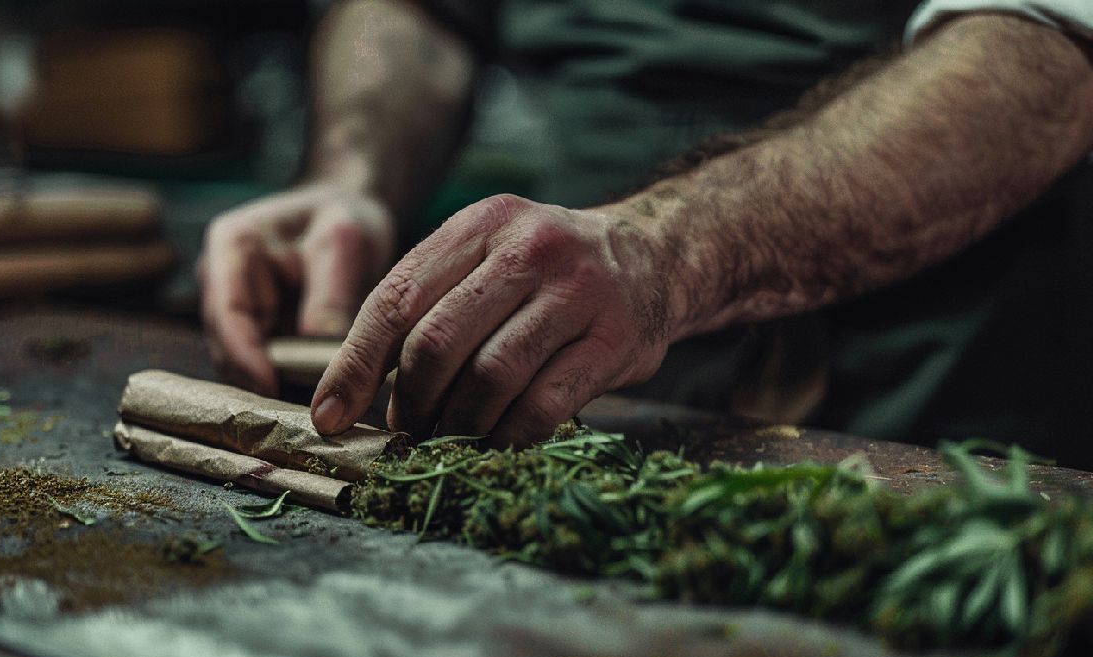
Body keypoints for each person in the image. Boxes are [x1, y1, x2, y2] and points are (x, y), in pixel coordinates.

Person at [200, 0, 1093, 459]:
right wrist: (353, 176)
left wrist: (664, 250)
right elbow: (421, 15)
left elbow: (1044, 54)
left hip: (922, 400)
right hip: (570, 400)